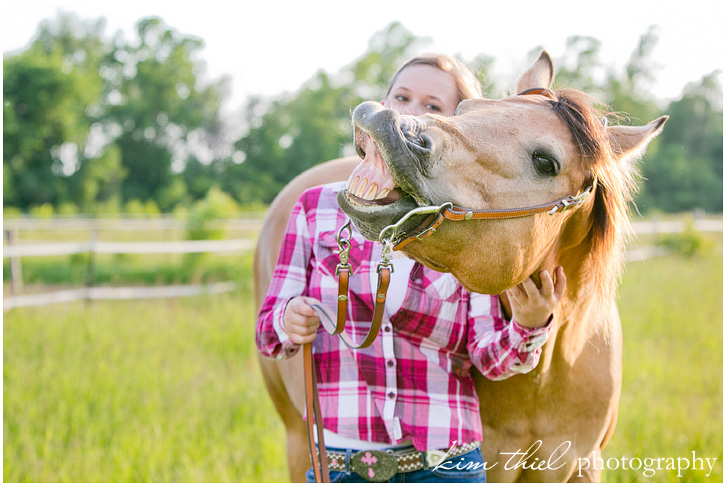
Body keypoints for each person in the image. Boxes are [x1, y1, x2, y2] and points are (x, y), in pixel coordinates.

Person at [256, 53, 566, 483]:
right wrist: (288, 320)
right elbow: (267, 332)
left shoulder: (469, 229)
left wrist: (529, 326)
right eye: (401, 97)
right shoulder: (316, 210)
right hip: (345, 467)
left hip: (445, 468)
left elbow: (487, 358)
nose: (409, 115)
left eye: (433, 107)